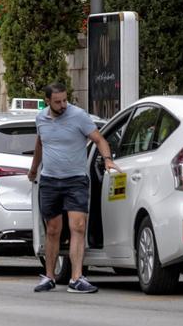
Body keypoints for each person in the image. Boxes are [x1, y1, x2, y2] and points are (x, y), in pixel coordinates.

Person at [27, 82, 119, 294]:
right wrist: (33, 170)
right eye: (58, 102)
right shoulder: (40, 118)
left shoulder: (78, 116)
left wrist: (107, 159)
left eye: (65, 100)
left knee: (78, 226)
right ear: (48, 101)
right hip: (49, 181)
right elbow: (40, 144)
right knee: (53, 230)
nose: (63, 105)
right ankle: (49, 276)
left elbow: (99, 139)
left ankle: (76, 277)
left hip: (76, 180)